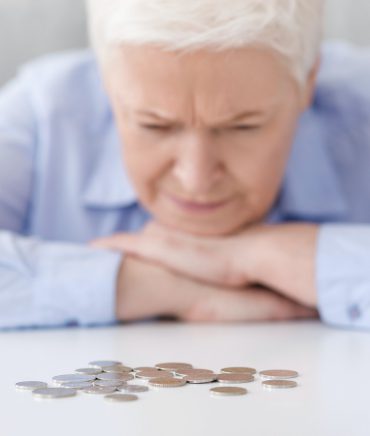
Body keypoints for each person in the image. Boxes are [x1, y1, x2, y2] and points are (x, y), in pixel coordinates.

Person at [0, 0, 369, 330]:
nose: (195, 179)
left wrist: (259, 256)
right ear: (106, 83)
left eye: (242, 126)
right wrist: (142, 286)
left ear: (307, 84)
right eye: (154, 125)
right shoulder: (40, 115)